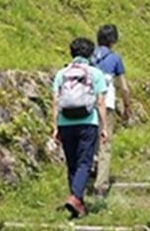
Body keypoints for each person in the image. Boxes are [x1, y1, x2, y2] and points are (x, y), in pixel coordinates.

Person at [52, 37, 108, 218]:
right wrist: (104, 126)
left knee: (72, 164)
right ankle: (75, 197)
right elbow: (100, 102)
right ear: (91, 54)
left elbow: (55, 102)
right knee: (85, 162)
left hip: (65, 122)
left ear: (72, 53)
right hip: (87, 122)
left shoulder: (61, 74)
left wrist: (55, 126)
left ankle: (78, 206)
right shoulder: (95, 73)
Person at [91, 24, 131, 197]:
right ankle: (101, 186)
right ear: (113, 40)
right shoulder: (114, 59)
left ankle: (87, 177)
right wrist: (127, 106)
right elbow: (124, 87)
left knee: (90, 142)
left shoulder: (89, 56)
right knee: (104, 144)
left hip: (86, 105)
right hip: (106, 105)